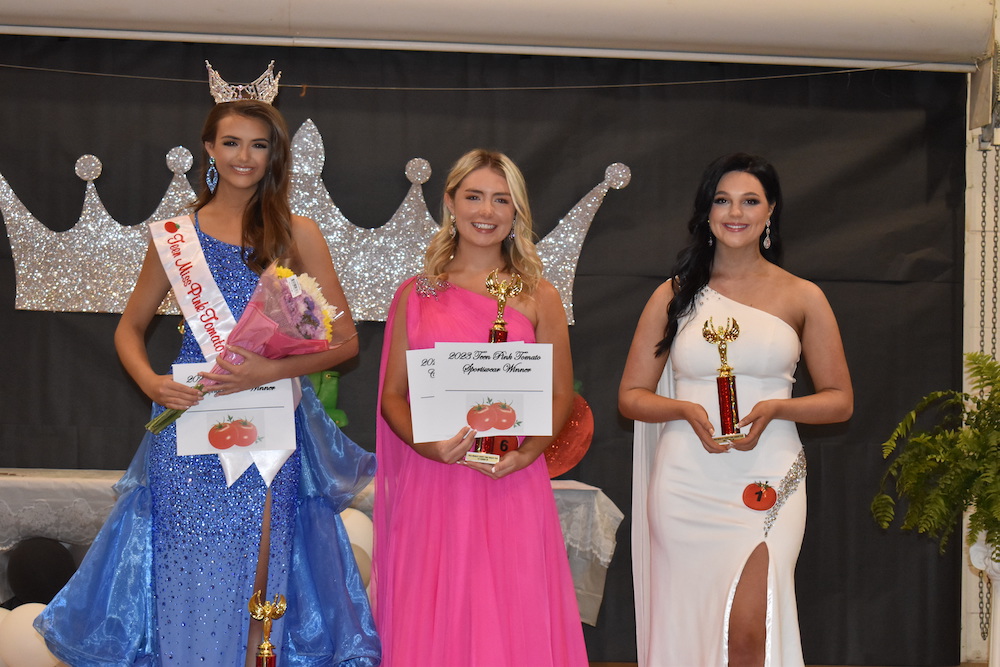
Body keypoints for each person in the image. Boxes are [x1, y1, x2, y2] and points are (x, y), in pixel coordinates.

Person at [35, 90, 380, 665]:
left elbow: (345, 343)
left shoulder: (298, 233)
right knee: (188, 576)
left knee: (259, 585)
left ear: (275, 156)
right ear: (208, 149)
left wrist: (272, 368)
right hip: (191, 421)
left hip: (270, 422)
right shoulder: (173, 236)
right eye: (231, 143)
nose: (244, 156)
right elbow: (129, 328)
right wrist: (149, 381)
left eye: (259, 145)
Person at [619, 153, 853, 667]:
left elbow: (840, 400)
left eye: (750, 201)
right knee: (691, 624)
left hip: (769, 475)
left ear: (771, 212)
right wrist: (682, 409)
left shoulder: (803, 296)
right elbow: (631, 396)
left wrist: (776, 409)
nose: (736, 212)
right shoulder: (674, 295)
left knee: (752, 631)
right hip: (686, 482)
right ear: (706, 211)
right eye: (722, 200)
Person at [373, 149, 589, 666]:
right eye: (473, 196)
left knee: (510, 615)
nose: (486, 211)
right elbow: (391, 397)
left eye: (501, 200)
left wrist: (528, 453)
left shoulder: (540, 295)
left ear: (516, 213)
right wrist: (429, 446)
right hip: (435, 480)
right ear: (450, 202)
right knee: (434, 616)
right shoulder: (415, 294)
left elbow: (560, 393)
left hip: (510, 480)